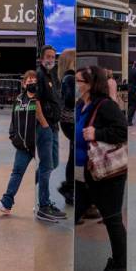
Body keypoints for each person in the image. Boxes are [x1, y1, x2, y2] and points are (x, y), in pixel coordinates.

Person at [74, 65, 128, 271]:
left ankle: (120, 264)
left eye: (79, 81)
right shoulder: (80, 104)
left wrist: (97, 132)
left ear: (90, 84)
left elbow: (121, 131)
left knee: (112, 218)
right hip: (84, 171)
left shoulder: (105, 106)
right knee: (75, 213)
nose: (76, 85)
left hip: (107, 174)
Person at [0, 70, 62, 218]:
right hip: (23, 145)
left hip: (41, 140)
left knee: (47, 168)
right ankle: (6, 202)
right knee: (17, 172)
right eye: (28, 81)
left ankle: (44, 204)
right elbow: (14, 120)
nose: (31, 83)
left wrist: (43, 120)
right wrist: (13, 136)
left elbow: (52, 117)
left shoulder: (43, 99)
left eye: (34, 80)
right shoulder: (18, 100)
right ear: (23, 84)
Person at [35, 45, 66, 220]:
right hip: (45, 127)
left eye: (53, 57)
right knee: (47, 165)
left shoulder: (52, 75)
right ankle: (44, 205)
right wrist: (44, 123)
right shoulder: (39, 75)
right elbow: (36, 100)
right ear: (41, 58)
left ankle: (34, 181)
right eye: (48, 56)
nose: (51, 59)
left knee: (52, 163)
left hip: (53, 126)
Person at [57, 48, 77, 205]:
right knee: (75, 154)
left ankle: (69, 187)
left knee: (73, 154)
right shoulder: (70, 78)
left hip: (68, 121)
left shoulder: (66, 77)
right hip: (71, 121)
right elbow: (70, 99)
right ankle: (69, 187)